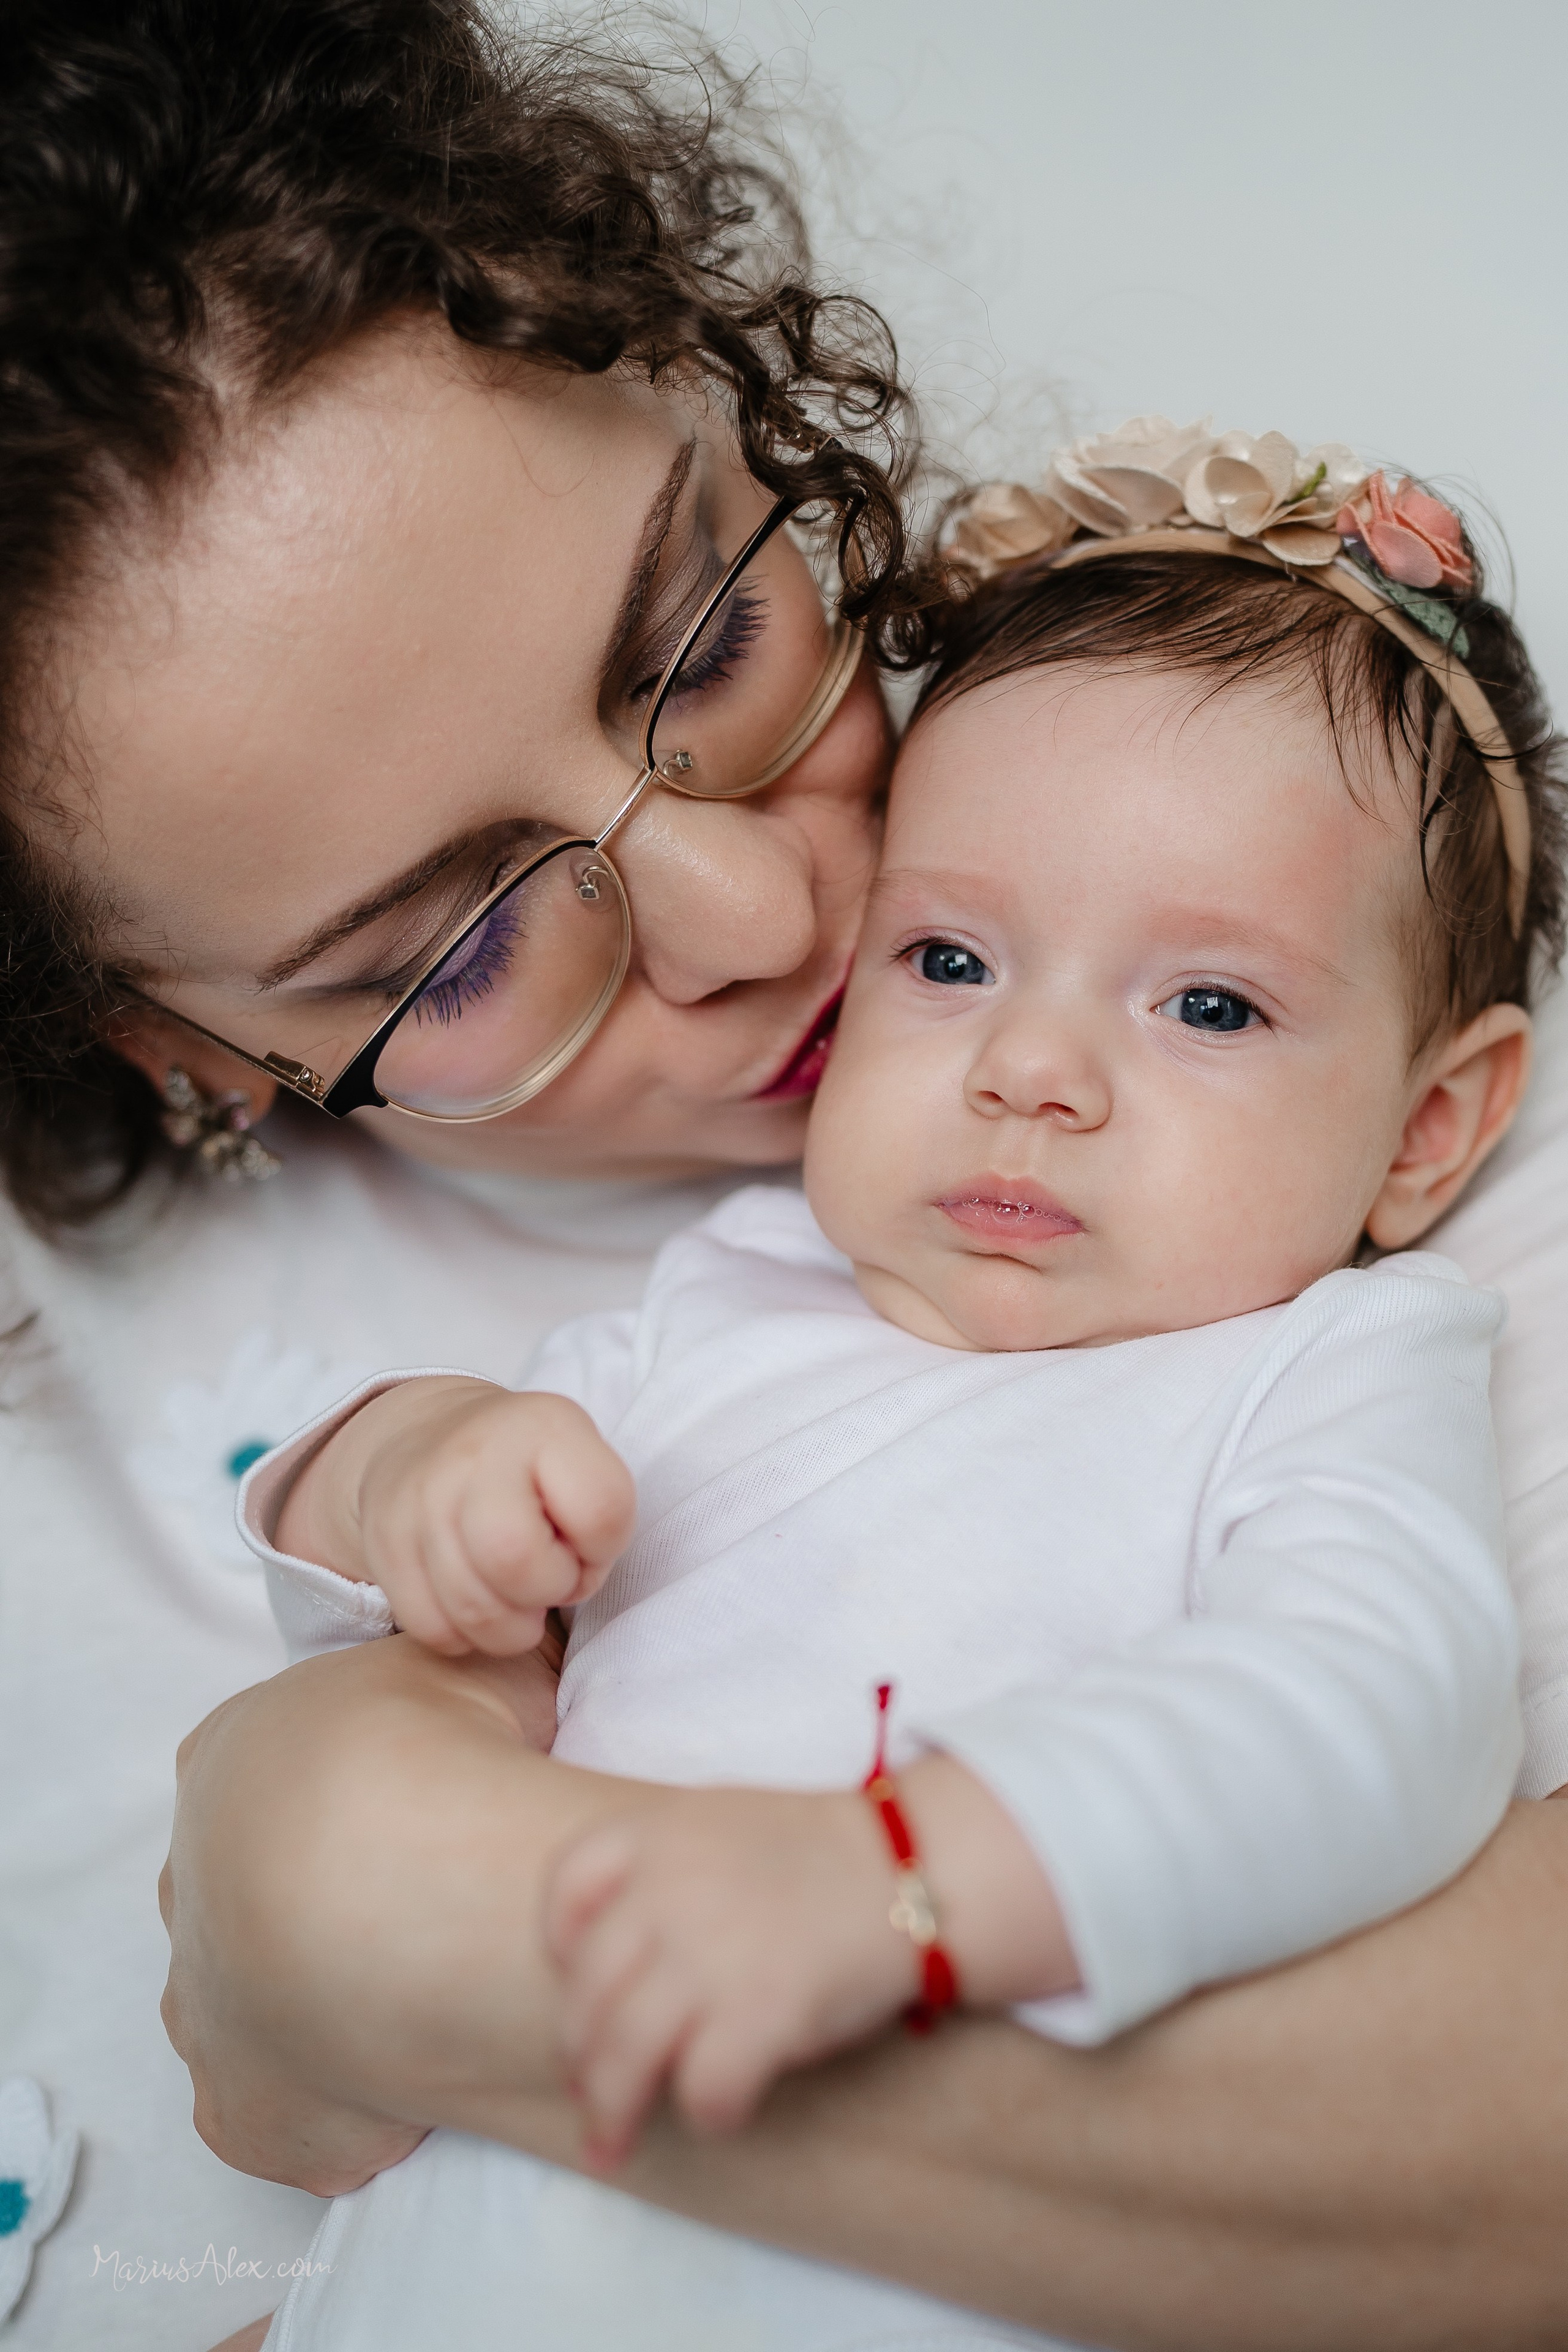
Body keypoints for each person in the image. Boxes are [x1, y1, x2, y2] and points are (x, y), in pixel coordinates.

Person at [2, 6, 1566, 2352]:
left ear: (722, 389)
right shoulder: (81, 1458)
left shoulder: (1334, 1024)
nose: (759, 927)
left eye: (713, 639)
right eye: (460, 942)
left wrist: (403, 1923)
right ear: (182, 1045)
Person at [225, 423, 1552, 2351]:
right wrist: (398, 1468)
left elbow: (1380, 1708)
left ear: (1429, 1131)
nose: (1033, 1070)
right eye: (949, 956)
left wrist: (912, 1888)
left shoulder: (1326, 1364)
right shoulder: (728, 1299)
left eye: (1208, 1005)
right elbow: (384, 1631)